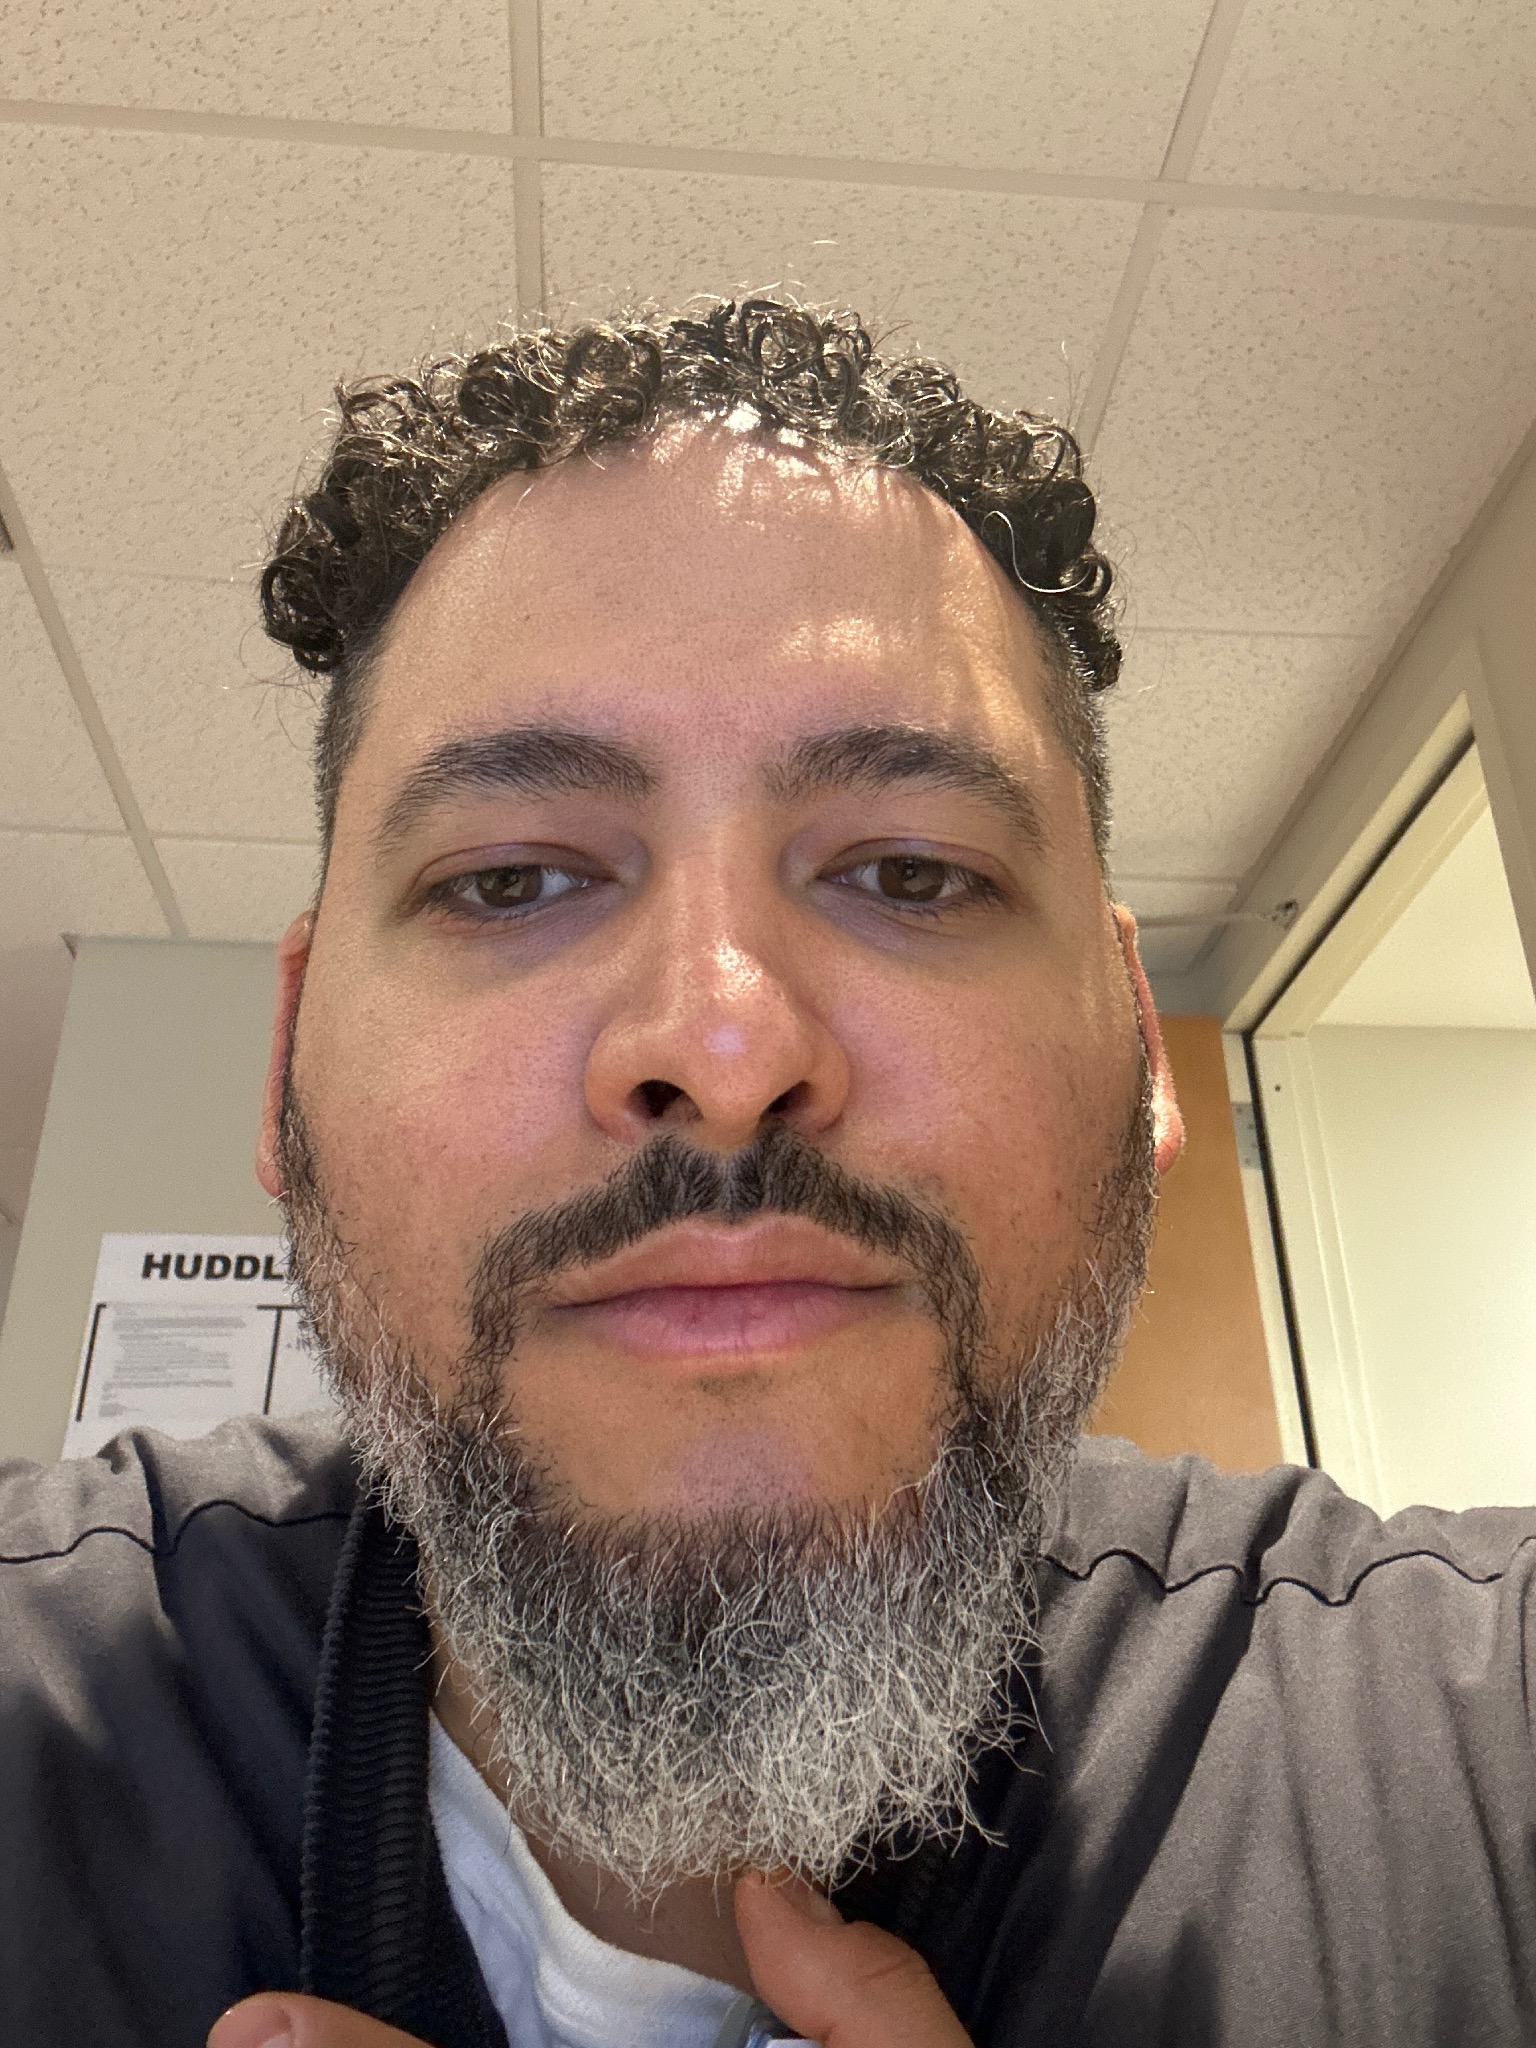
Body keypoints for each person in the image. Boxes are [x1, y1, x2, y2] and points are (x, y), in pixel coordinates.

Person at [3, 297, 1534, 2048]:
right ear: (289, 1065)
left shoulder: (1472, 1752)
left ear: (1135, 1043)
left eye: (911, 874)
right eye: (510, 881)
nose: (725, 1049)